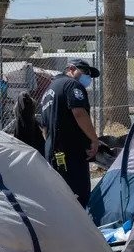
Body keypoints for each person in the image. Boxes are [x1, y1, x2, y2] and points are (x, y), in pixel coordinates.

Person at [38, 58, 101, 207]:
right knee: (79, 195)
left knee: (60, 195)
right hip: (71, 152)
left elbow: (45, 128)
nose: (88, 77)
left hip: (54, 151)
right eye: (85, 72)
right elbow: (79, 112)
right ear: (71, 69)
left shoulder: (49, 91)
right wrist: (94, 139)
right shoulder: (72, 84)